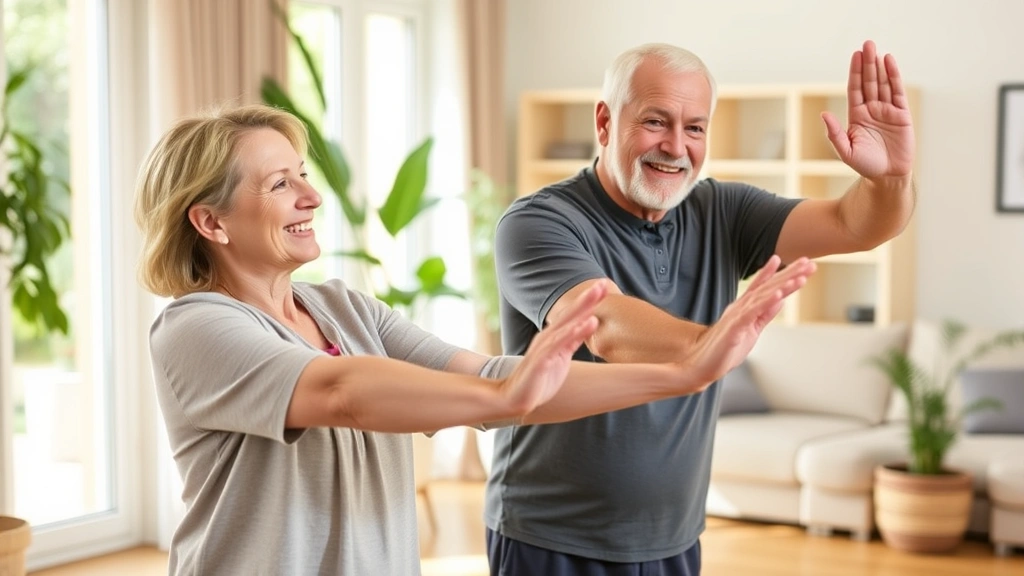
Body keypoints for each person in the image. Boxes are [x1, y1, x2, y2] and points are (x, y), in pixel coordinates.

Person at [133, 103, 814, 575]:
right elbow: (341, 392)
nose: (311, 196)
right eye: (282, 184)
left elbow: (498, 374)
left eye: (303, 175)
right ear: (211, 222)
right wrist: (507, 392)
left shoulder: (344, 308)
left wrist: (684, 373)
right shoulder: (196, 327)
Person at [487, 39, 915, 575]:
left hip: (674, 536)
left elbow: (858, 225)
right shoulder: (538, 223)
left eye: (694, 127)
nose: (675, 146)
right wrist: (715, 341)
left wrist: (889, 178)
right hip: (553, 536)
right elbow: (605, 328)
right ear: (604, 121)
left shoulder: (722, 211)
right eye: (655, 121)